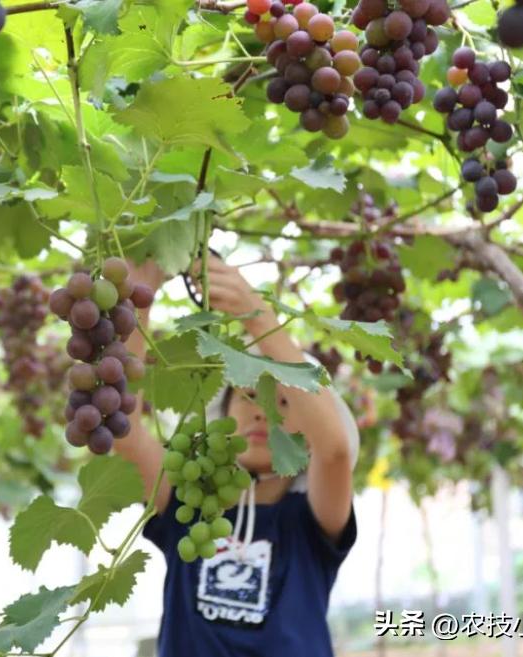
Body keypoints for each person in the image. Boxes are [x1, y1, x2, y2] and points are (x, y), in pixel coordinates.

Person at [116, 255, 359, 657]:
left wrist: (257, 317)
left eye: (284, 399)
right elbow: (123, 431)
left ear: (310, 431)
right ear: (223, 412)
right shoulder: (186, 504)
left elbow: (334, 452)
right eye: (249, 395)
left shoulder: (311, 521)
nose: (264, 409)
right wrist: (139, 300)